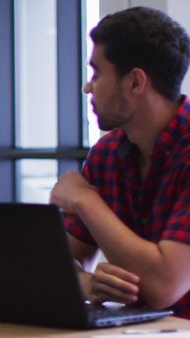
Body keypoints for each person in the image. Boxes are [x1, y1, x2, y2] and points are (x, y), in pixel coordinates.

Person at [50, 7, 190, 318]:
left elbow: (163, 288)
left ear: (135, 83)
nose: (88, 87)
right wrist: (85, 284)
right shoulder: (107, 154)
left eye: (97, 73)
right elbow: (56, 263)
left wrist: (85, 199)